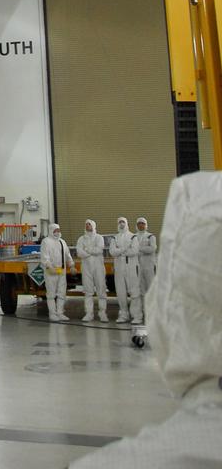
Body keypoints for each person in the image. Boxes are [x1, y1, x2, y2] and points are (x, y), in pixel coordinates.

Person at [73, 172, 222, 467]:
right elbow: (108, 250)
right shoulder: (102, 239)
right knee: (117, 294)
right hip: (118, 265)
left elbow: (139, 251)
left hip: (130, 265)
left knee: (126, 294)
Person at [109, 216, 142, 324]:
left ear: (127, 223)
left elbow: (134, 251)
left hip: (131, 267)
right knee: (120, 292)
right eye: (119, 222)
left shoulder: (133, 237)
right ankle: (123, 314)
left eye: (123, 222)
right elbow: (112, 252)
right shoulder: (114, 238)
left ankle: (137, 316)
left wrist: (120, 251)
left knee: (134, 292)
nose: (121, 224)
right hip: (119, 268)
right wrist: (124, 249)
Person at [40, 223, 74, 322]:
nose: (57, 232)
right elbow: (44, 256)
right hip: (51, 272)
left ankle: (60, 313)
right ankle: (52, 313)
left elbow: (67, 255)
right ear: (51, 231)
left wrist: (71, 265)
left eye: (58, 230)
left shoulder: (62, 242)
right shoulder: (46, 242)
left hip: (61, 271)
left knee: (61, 293)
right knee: (51, 294)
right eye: (55, 230)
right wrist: (49, 266)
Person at [76, 219, 108, 323]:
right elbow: (79, 252)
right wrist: (90, 251)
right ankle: (89, 314)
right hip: (86, 267)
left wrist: (87, 250)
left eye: (89, 224)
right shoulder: (81, 239)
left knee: (101, 290)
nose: (87, 226)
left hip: (98, 267)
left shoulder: (99, 238)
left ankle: (102, 313)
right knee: (88, 291)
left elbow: (99, 250)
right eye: (86, 224)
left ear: (93, 225)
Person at [135, 217, 157, 296]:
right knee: (141, 287)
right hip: (138, 265)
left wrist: (139, 249)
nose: (141, 225)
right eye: (139, 224)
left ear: (146, 225)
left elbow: (152, 248)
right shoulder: (134, 237)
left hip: (149, 265)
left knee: (150, 285)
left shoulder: (150, 236)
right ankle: (143, 307)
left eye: (142, 224)